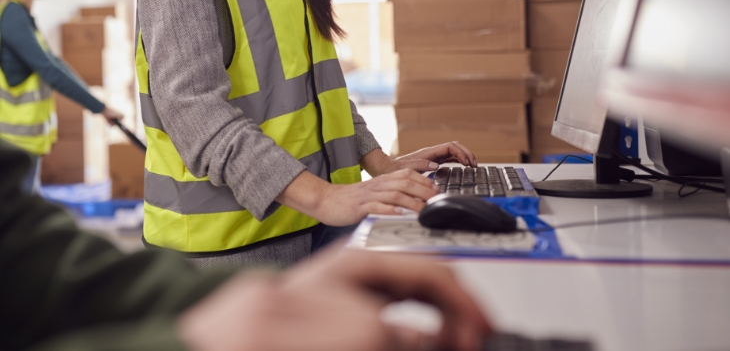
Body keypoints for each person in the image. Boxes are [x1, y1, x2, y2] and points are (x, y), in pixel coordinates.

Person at [126, 0, 479, 268]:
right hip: (231, 251)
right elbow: (192, 108)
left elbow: (317, 87)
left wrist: (379, 163)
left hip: (319, 227)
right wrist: (322, 197)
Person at [0, 139, 492, 351]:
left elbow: (44, 274)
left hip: (306, 227)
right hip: (237, 229)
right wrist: (186, 342)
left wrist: (379, 163)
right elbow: (190, 104)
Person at [0, 0, 123, 195]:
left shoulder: (20, 17)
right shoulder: (12, 16)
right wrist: (99, 108)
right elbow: (50, 71)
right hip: (13, 144)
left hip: (22, 145)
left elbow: (56, 64)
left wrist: (99, 106)